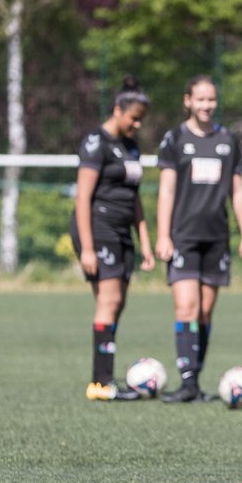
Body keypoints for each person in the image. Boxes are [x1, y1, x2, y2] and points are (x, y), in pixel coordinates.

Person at [155, 75, 242, 403]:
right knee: (187, 307)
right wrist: (162, 235)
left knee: (205, 312)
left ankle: (195, 382)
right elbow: (167, 190)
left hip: (216, 238)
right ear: (187, 101)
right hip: (182, 237)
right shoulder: (174, 139)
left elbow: (237, 191)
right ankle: (186, 382)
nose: (206, 105)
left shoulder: (228, 140)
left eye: (211, 99)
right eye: (200, 99)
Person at [70, 75, 156, 401]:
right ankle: (100, 384)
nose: (137, 125)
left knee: (117, 305)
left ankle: (104, 376)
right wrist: (88, 247)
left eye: (141, 120)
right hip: (97, 228)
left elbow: (135, 199)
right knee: (108, 302)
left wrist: (145, 241)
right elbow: (82, 198)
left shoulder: (131, 147)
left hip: (123, 232)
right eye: (134, 118)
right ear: (118, 110)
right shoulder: (96, 142)